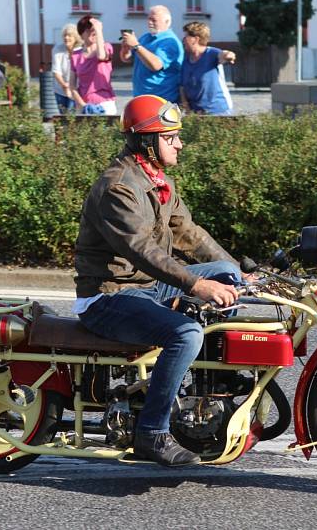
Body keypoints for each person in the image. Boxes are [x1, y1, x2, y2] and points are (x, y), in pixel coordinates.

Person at [73, 94, 243, 467]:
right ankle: (152, 432)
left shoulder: (157, 181)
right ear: (147, 140)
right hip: (109, 296)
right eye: (170, 137)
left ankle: (215, 384)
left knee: (228, 275)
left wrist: (239, 272)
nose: (179, 143)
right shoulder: (119, 187)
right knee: (186, 334)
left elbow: (190, 235)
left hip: (146, 287)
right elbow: (141, 251)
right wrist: (196, 287)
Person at [120, 5, 184, 103]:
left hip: (162, 99)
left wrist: (136, 45)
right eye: (149, 19)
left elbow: (156, 65)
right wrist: (126, 48)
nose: (150, 23)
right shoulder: (146, 37)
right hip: (141, 97)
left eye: (154, 20)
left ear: (167, 22)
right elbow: (127, 58)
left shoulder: (170, 41)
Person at [180, 21, 236, 115]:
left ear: (195, 39)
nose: (183, 40)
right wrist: (186, 107)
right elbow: (182, 87)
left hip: (219, 112)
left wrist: (229, 56)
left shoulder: (211, 54)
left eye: (186, 37)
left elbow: (223, 54)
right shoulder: (185, 60)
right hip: (196, 114)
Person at [70, 15, 117, 115]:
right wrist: (83, 105)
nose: (92, 32)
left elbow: (101, 56)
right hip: (84, 104)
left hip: (105, 103)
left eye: (94, 30)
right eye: (88, 30)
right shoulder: (75, 55)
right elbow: (72, 85)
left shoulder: (106, 47)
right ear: (81, 34)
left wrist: (99, 29)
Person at [52, 24, 81, 113]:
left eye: (69, 35)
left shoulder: (80, 51)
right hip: (60, 89)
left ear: (75, 37)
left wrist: (71, 87)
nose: (66, 38)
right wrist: (64, 85)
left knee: (71, 115)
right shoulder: (57, 49)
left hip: (76, 89)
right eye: (65, 35)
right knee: (63, 116)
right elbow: (56, 71)